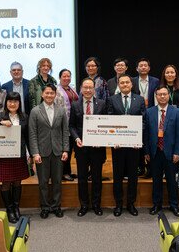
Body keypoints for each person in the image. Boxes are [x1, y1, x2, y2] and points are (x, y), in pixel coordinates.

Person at [28, 84, 69, 219]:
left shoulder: (61, 110)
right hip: (42, 152)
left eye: (52, 93)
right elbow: (32, 134)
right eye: (47, 93)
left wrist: (65, 149)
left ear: (55, 94)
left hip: (58, 151)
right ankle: (45, 207)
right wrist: (35, 153)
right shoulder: (35, 111)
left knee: (57, 181)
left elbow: (65, 131)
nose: (49, 95)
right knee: (43, 182)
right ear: (42, 94)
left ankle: (56, 206)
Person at [107, 74, 145, 216]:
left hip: (134, 145)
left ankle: (131, 203)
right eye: (121, 83)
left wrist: (137, 139)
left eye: (126, 82)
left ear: (131, 84)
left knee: (133, 176)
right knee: (117, 175)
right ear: (118, 85)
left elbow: (143, 121)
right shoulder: (112, 99)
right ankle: (118, 204)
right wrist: (113, 139)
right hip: (117, 145)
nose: (124, 85)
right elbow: (109, 120)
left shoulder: (139, 99)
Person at [144, 86, 179, 217]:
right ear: (156, 96)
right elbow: (146, 134)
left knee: (172, 181)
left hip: (171, 153)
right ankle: (156, 204)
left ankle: (174, 205)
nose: (162, 96)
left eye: (164, 94)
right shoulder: (149, 112)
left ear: (169, 96)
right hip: (155, 152)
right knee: (156, 181)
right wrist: (147, 152)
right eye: (159, 94)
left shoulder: (176, 112)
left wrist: (178, 152)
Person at [69, 78, 107, 217]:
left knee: (97, 178)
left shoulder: (102, 104)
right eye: (85, 87)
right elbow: (71, 125)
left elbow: (105, 124)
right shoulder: (75, 105)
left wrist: (101, 139)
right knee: (82, 178)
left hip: (97, 148)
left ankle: (96, 205)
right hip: (81, 148)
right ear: (81, 88)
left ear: (94, 89)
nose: (88, 90)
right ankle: (84, 204)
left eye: (91, 87)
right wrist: (76, 138)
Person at [0, 92, 30, 223]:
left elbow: (27, 137)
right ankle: (9, 209)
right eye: (10, 101)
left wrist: (30, 154)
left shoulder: (24, 117)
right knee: (5, 183)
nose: (12, 104)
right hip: (4, 154)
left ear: (19, 103)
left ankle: (16, 207)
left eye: (15, 101)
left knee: (17, 181)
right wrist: (1, 125)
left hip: (19, 154)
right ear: (6, 103)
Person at [132, 58, 160, 177]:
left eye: (145, 65)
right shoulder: (132, 81)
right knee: (138, 139)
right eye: (141, 65)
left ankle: (150, 167)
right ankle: (140, 167)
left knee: (149, 138)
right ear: (137, 68)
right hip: (137, 113)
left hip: (151, 111)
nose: (143, 67)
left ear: (149, 68)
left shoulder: (156, 81)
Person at [55, 69, 79, 181]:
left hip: (72, 124)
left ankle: (68, 171)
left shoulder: (71, 88)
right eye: (64, 76)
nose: (66, 78)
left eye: (68, 76)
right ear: (60, 77)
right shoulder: (56, 90)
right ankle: (63, 173)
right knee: (65, 149)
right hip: (62, 124)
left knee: (69, 149)